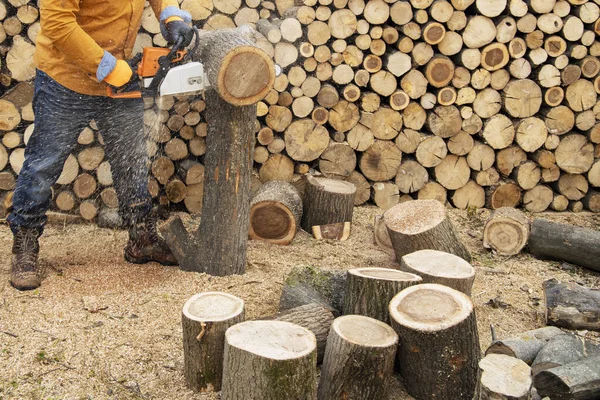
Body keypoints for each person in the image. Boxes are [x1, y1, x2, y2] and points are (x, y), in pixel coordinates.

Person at [7, 1, 195, 291]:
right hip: (65, 79)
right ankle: (25, 243)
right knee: (44, 162)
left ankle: (141, 238)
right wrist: (106, 68)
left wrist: (172, 17)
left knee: (130, 158)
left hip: (119, 74)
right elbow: (58, 23)